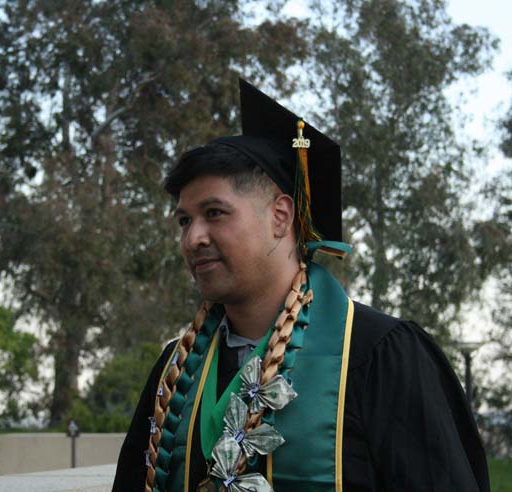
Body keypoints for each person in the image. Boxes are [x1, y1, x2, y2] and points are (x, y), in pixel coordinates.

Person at [112, 80, 489, 492]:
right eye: (184, 220)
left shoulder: (376, 354)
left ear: (280, 216)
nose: (192, 238)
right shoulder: (176, 370)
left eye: (214, 213)